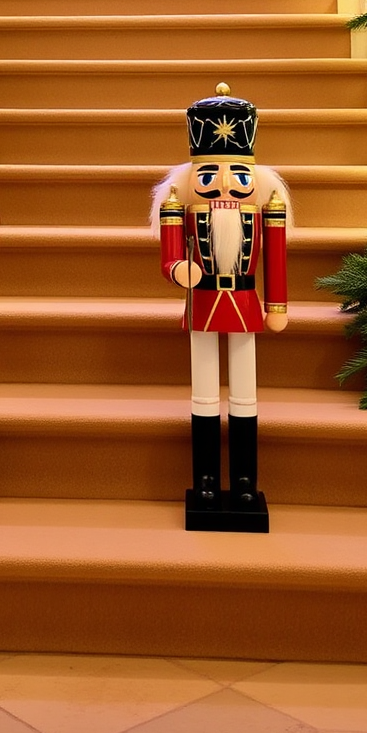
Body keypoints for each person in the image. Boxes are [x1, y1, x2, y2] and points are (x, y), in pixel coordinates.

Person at [151, 83, 289, 531]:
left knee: (245, 395)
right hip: (204, 303)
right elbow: (169, 256)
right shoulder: (181, 209)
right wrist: (178, 272)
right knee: (205, 394)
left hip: (246, 302)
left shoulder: (264, 210)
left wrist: (277, 304)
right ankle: (206, 479)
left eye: (237, 175)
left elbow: (277, 259)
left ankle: (246, 479)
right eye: (209, 175)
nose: (225, 185)